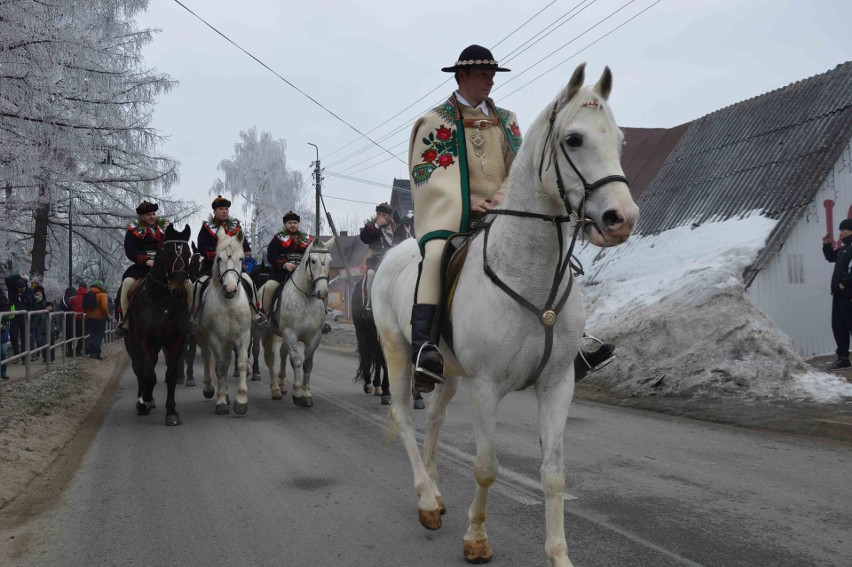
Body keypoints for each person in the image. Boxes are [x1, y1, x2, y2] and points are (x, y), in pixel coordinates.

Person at [407, 44, 614, 392]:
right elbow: (427, 174)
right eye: (483, 75)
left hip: (504, 208)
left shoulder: (507, 120)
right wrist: (468, 201)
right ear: (462, 76)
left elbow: (520, 165)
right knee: (435, 256)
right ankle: (424, 348)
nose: (490, 81)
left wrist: (505, 193)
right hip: (457, 214)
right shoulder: (435, 121)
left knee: (553, 252)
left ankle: (570, 347)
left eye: (492, 75)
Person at [115, 200, 194, 337]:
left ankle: (189, 317)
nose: (152, 217)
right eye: (148, 214)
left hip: (164, 268)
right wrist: (146, 261)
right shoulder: (133, 230)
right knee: (127, 283)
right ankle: (125, 320)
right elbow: (130, 251)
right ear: (141, 216)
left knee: (189, 285)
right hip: (142, 267)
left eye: (153, 214)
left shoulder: (165, 229)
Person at [195, 195, 267, 328]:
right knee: (198, 285)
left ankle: (256, 313)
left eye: (226, 209)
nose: (225, 211)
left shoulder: (236, 226)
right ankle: (194, 315)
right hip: (212, 266)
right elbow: (202, 246)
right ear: (215, 212)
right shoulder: (206, 227)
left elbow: (243, 243)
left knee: (250, 282)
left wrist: (246, 251)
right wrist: (215, 254)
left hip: (235, 267)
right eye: (221, 209)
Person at [359, 202, 410, 312]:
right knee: (371, 274)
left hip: (395, 262)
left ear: (390, 217)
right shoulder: (372, 227)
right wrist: (377, 225)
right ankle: (368, 304)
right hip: (377, 262)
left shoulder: (398, 228)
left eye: (384, 215)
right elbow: (364, 237)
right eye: (379, 214)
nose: (381, 217)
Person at [262, 211, 313, 315]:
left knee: (319, 286)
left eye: (295, 222)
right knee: (269, 287)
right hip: (281, 272)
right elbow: (271, 255)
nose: (293, 225)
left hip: (303, 273)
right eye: (290, 223)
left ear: (298, 224)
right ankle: (265, 315)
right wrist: (285, 264)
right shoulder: (277, 239)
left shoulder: (307, 240)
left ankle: (321, 315)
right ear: (285, 225)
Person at [822, 217, 852, 369]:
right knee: (839, 326)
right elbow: (831, 257)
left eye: (843, 230)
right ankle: (843, 357)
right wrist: (827, 245)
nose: (841, 233)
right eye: (840, 230)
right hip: (839, 294)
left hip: (848, 294)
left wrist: (844, 283)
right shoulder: (845, 248)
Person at [4, 276, 35, 361]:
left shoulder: (29, 291)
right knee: (14, 337)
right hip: (14, 317)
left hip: (24, 317)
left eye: (23, 288)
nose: (22, 290)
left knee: (24, 337)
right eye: (20, 289)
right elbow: (7, 279)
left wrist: (23, 297)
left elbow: (31, 302)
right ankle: (16, 355)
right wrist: (18, 276)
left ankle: (24, 356)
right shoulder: (12, 291)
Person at [84, 280, 109, 359]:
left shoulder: (88, 294)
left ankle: (92, 352)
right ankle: (96, 354)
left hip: (90, 318)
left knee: (92, 335)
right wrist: (106, 315)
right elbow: (104, 307)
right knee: (99, 336)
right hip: (100, 319)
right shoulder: (102, 295)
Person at [68, 282, 87, 356]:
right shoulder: (87, 296)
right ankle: (80, 349)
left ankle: (77, 350)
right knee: (84, 334)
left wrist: (73, 312)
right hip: (85, 317)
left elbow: (69, 305)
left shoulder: (74, 297)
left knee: (78, 335)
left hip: (76, 318)